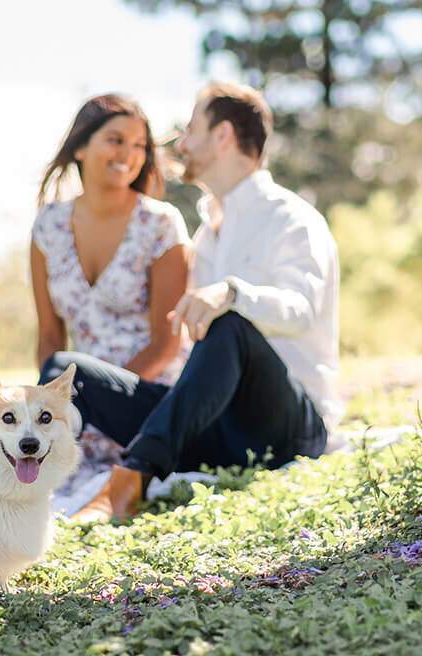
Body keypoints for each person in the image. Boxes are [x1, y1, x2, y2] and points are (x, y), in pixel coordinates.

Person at [39, 82, 342, 522]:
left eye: (191, 130)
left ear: (222, 136)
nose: (179, 144)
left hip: (290, 427)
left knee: (229, 324)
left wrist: (231, 293)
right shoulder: (204, 237)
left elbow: (302, 309)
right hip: (216, 427)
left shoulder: (292, 219)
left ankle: (130, 479)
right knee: (67, 372)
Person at [30, 94, 191, 458]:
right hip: (77, 400)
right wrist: (55, 410)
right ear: (81, 148)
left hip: (147, 399)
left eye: (139, 146)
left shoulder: (160, 225)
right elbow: (50, 337)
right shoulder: (48, 226)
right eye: (116, 140)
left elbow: (166, 345)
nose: (129, 155)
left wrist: (98, 404)